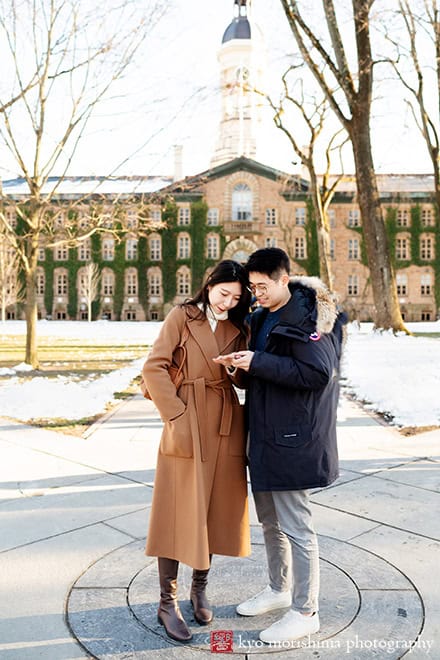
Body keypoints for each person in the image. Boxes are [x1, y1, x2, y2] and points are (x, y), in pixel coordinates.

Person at [214, 248, 347, 645]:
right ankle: (279, 589)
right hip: (266, 437)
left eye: (262, 286)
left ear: (283, 279)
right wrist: (241, 368)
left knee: (297, 528)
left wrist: (257, 363)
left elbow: (318, 372)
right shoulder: (263, 316)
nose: (256, 293)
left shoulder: (306, 317)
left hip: (293, 440)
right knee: (271, 523)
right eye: (252, 287)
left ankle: (306, 611)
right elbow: (265, 373)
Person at [142, 260, 252, 643]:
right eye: (224, 293)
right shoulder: (181, 316)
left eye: (237, 297)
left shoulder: (239, 327)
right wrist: (176, 414)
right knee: (176, 507)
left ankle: (199, 587)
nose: (228, 302)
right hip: (187, 418)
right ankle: (166, 602)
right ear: (209, 286)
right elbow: (154, 367)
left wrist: (237, 368)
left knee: (216, 507)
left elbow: (242, 376)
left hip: (224, 421)